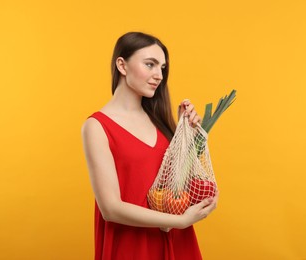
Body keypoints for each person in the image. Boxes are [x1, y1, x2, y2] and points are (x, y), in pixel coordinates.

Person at [81, 32, 218, 260]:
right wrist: (179, 221)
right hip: (132, 246)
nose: (159, 75)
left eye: (162, 68)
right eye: (150, 64)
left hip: (176, 241)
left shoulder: (159, 121)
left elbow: (178, 185)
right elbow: (110, 208)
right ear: (122, 65)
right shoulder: (96, 126)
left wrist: (185, 133)